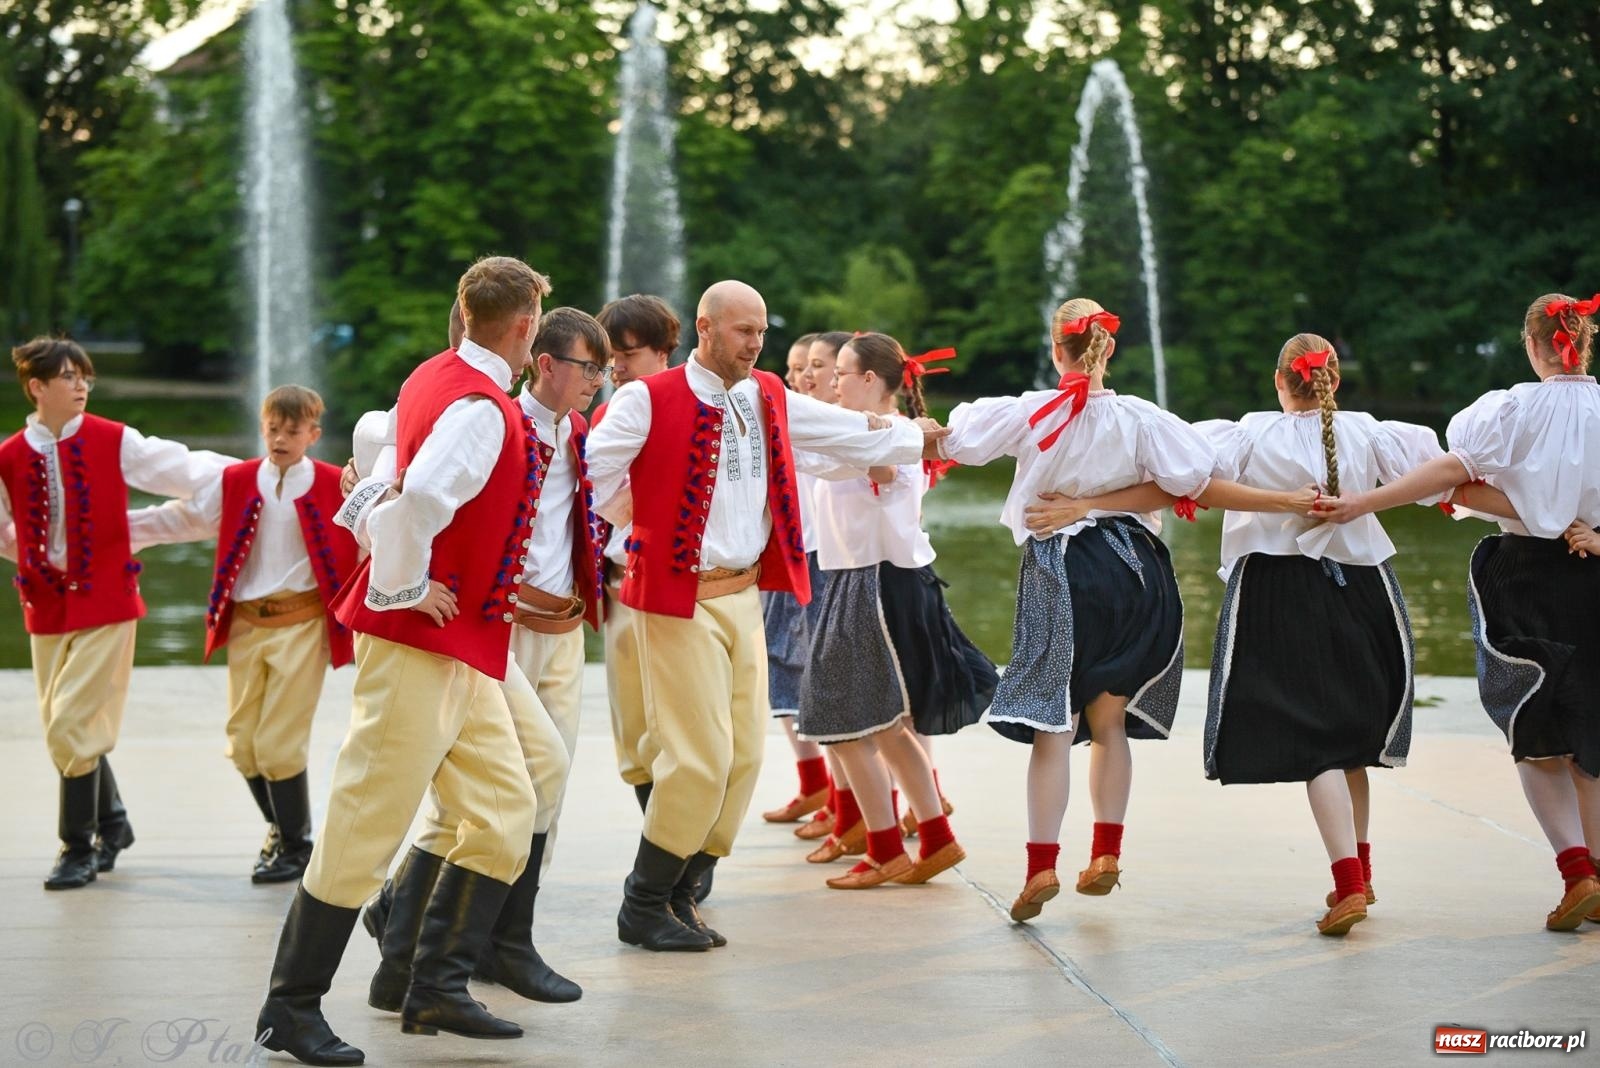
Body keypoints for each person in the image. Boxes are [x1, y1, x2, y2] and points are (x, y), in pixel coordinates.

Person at [586, 280, 944, 951]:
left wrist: (909, 436)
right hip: (675, 598)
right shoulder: (646, 398)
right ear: (705, 327)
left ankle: (684, 890)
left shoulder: (766, 395)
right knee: (698, 758)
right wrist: (630, 517)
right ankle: (645, 902)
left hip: (742, 595)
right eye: (742, 331)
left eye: (760, 332)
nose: (755, 344)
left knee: (743, 758)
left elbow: (838, 429)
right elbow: (593, 471)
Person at [255, 257, 548, 1066]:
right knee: (364, 819)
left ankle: (433, 990)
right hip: (422, 642)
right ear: (524, 326)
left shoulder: (432, 376)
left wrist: (384, 557)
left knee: (502, 812)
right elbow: (417, 498)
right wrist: (405, 585)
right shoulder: (483, 408)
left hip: (458, 647)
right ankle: (290, 1007)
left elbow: (376, 482)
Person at [1313, 292, 1600, 932]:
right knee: (1590, 735)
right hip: (1595, 572)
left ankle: (1577, 870)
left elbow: (1454, 471)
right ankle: (1598, 873)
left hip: (1525, 575)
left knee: (1533, 727)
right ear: (1583, 342)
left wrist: (1367, 503)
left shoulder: (1511, 409)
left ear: (1534, 346)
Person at [932, 299, 1220, 924]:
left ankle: (1041, 864)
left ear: (1056, 348)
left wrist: (904, 428)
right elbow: (1190, 480)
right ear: (1107, 350)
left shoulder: (1033, 410)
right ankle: (1107, 852)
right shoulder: (1142, 417)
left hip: (1066, 571)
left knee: (1053, 725)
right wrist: (1100, 504)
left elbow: (958, 440)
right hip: (1137, 571)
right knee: (1109, 722)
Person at [343, 299, 583, 1009]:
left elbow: (366, 503)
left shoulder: (482, 404)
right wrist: (404, 586)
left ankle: (417, 954)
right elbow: (378, 502)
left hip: (497, 633)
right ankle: (422, 964)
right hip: (462, 630)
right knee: (405, 807)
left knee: (528, 777)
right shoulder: (472, 407)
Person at [0, 337, 232, 891]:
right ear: (37, 387)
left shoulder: (115, 440)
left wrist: (253, 477)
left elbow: (191, 470)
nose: (81, 386)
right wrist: (31, 554)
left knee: (72, 724)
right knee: (63, 723)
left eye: (85, 377)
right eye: (69, 377)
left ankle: (77, 847)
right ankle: (114, 821)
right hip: (44, 604)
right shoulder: (8, 456)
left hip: (106, 601)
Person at [131, 385, 357, 884]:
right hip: (247, 624)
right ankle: (281, 832)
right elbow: (183, 519)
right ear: (263, 427)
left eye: (293, 430)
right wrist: (120, 531)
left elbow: (369, 544)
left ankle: (296, 845)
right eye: (273, 428)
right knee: (241, 744)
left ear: (313, 435)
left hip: (301, 627)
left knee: (279, 744)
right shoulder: (236, 480)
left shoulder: (333, 483)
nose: (280, 438)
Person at [795, 332, 997, 889]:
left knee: (846, 720)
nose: (832, 382)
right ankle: (928, 839)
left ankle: (895, 847)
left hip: (876, 583)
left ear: (870, 381)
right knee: (872, 724)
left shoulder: (899, 437)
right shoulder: (869, 432)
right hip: (856, 579)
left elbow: (875, 466)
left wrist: (867, 436)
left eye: (840, 372)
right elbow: (819, 458)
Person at [593, 294, 677, 812]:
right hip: (619, 578)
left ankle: (688, 850)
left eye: (630, 354)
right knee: (632, 719)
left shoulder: (689, 408)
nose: (617, 368)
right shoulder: (602, 413)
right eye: (610, 358)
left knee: (679, 720)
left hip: (675, 580)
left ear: (664, 351)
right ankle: (658, 838)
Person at [761, 331, 836, 825]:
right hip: (789, 555)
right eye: (794, 367)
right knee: (783, 674)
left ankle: (845, 798)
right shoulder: (797, 416)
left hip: (819, 559)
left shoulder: (829, 424)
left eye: (811, 366)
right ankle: (816, 785)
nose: (800, 376)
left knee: (818, 678)